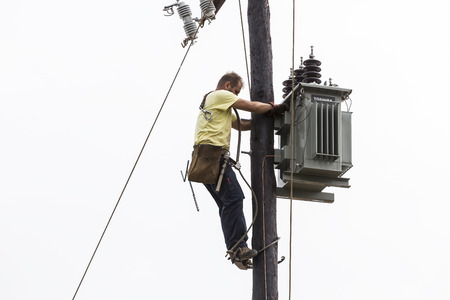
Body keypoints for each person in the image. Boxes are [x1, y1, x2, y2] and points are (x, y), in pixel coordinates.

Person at [191, 72, 288, 268]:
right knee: (234, 198)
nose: (235, 95)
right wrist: (273, 108)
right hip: (213, 157)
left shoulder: (215, 105)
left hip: (203, 161)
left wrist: (261, 122)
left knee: (227, 204)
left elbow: (240, 124)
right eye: (235, 91)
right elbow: (250, 106)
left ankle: (237, 251)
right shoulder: (220, 95)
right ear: (228, 85)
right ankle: (239, 247)